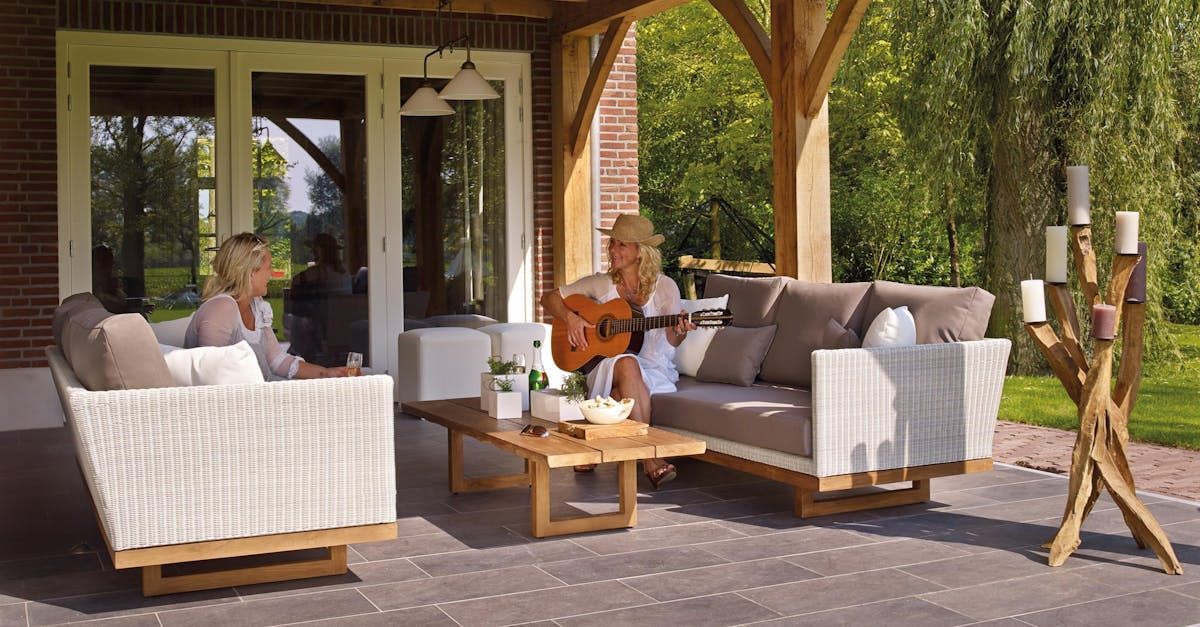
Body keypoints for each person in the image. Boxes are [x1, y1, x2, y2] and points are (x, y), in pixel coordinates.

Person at [540, 214, 696, 489]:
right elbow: (548, 297)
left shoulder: (666, 287)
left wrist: (681, 331)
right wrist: (571, 318)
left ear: (640, 252)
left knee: (618, 393)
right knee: (625, 361)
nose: (612, 250)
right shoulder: (601, 284)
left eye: (621, 245)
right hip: (606, 365)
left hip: (654, 369)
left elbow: (672, 340)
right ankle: (651, 459)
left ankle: (594, 448)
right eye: (612, 243)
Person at [185, 232, 350, 380]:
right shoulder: (221, 308)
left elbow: (277, 360)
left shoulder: (257, 306)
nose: (271, 274)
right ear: (251, 271)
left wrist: (327, 373)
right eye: (268, 267)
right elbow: (210, 377)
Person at [286, 233, 352, 362]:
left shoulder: (319, 272)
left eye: (314, 249)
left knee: (298, 318)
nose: (312, 252)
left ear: (320, 250)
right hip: (342, 322)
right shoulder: (344, 271)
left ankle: (300, 355)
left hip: (325, 323)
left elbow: (295, 282)